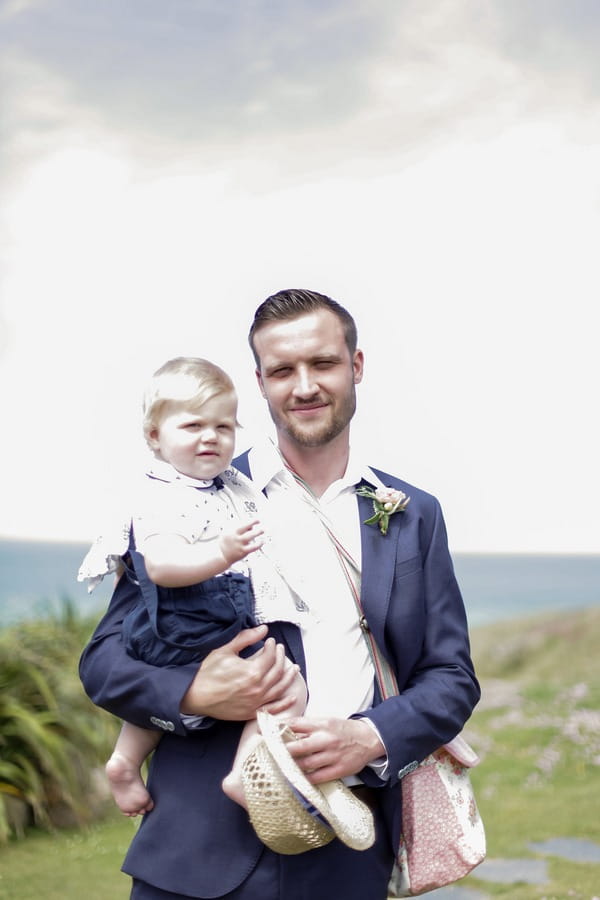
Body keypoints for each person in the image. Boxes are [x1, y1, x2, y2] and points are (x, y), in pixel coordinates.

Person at [79, 289, 480, 900]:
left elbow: (451, 676)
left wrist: (371, 737)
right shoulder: (190, 493)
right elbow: (105, 662)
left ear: (357, 366)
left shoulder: (412, 515)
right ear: (260, 383)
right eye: (282, 371)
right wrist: (193, 693)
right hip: (195, 853)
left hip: (345, 848)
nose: (305, 387)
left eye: (322, 364)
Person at [78, 356, 308, 816]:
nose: (211, 437)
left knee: (206, 683)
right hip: (188, 617)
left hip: (199, 620)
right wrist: (222, 553)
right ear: (154, 437)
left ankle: (125, 760)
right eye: (193, 426)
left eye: (224, 426)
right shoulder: (159, 496)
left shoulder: (231, 488)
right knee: (287, 688)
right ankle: (246, 770)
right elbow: (159, 566)